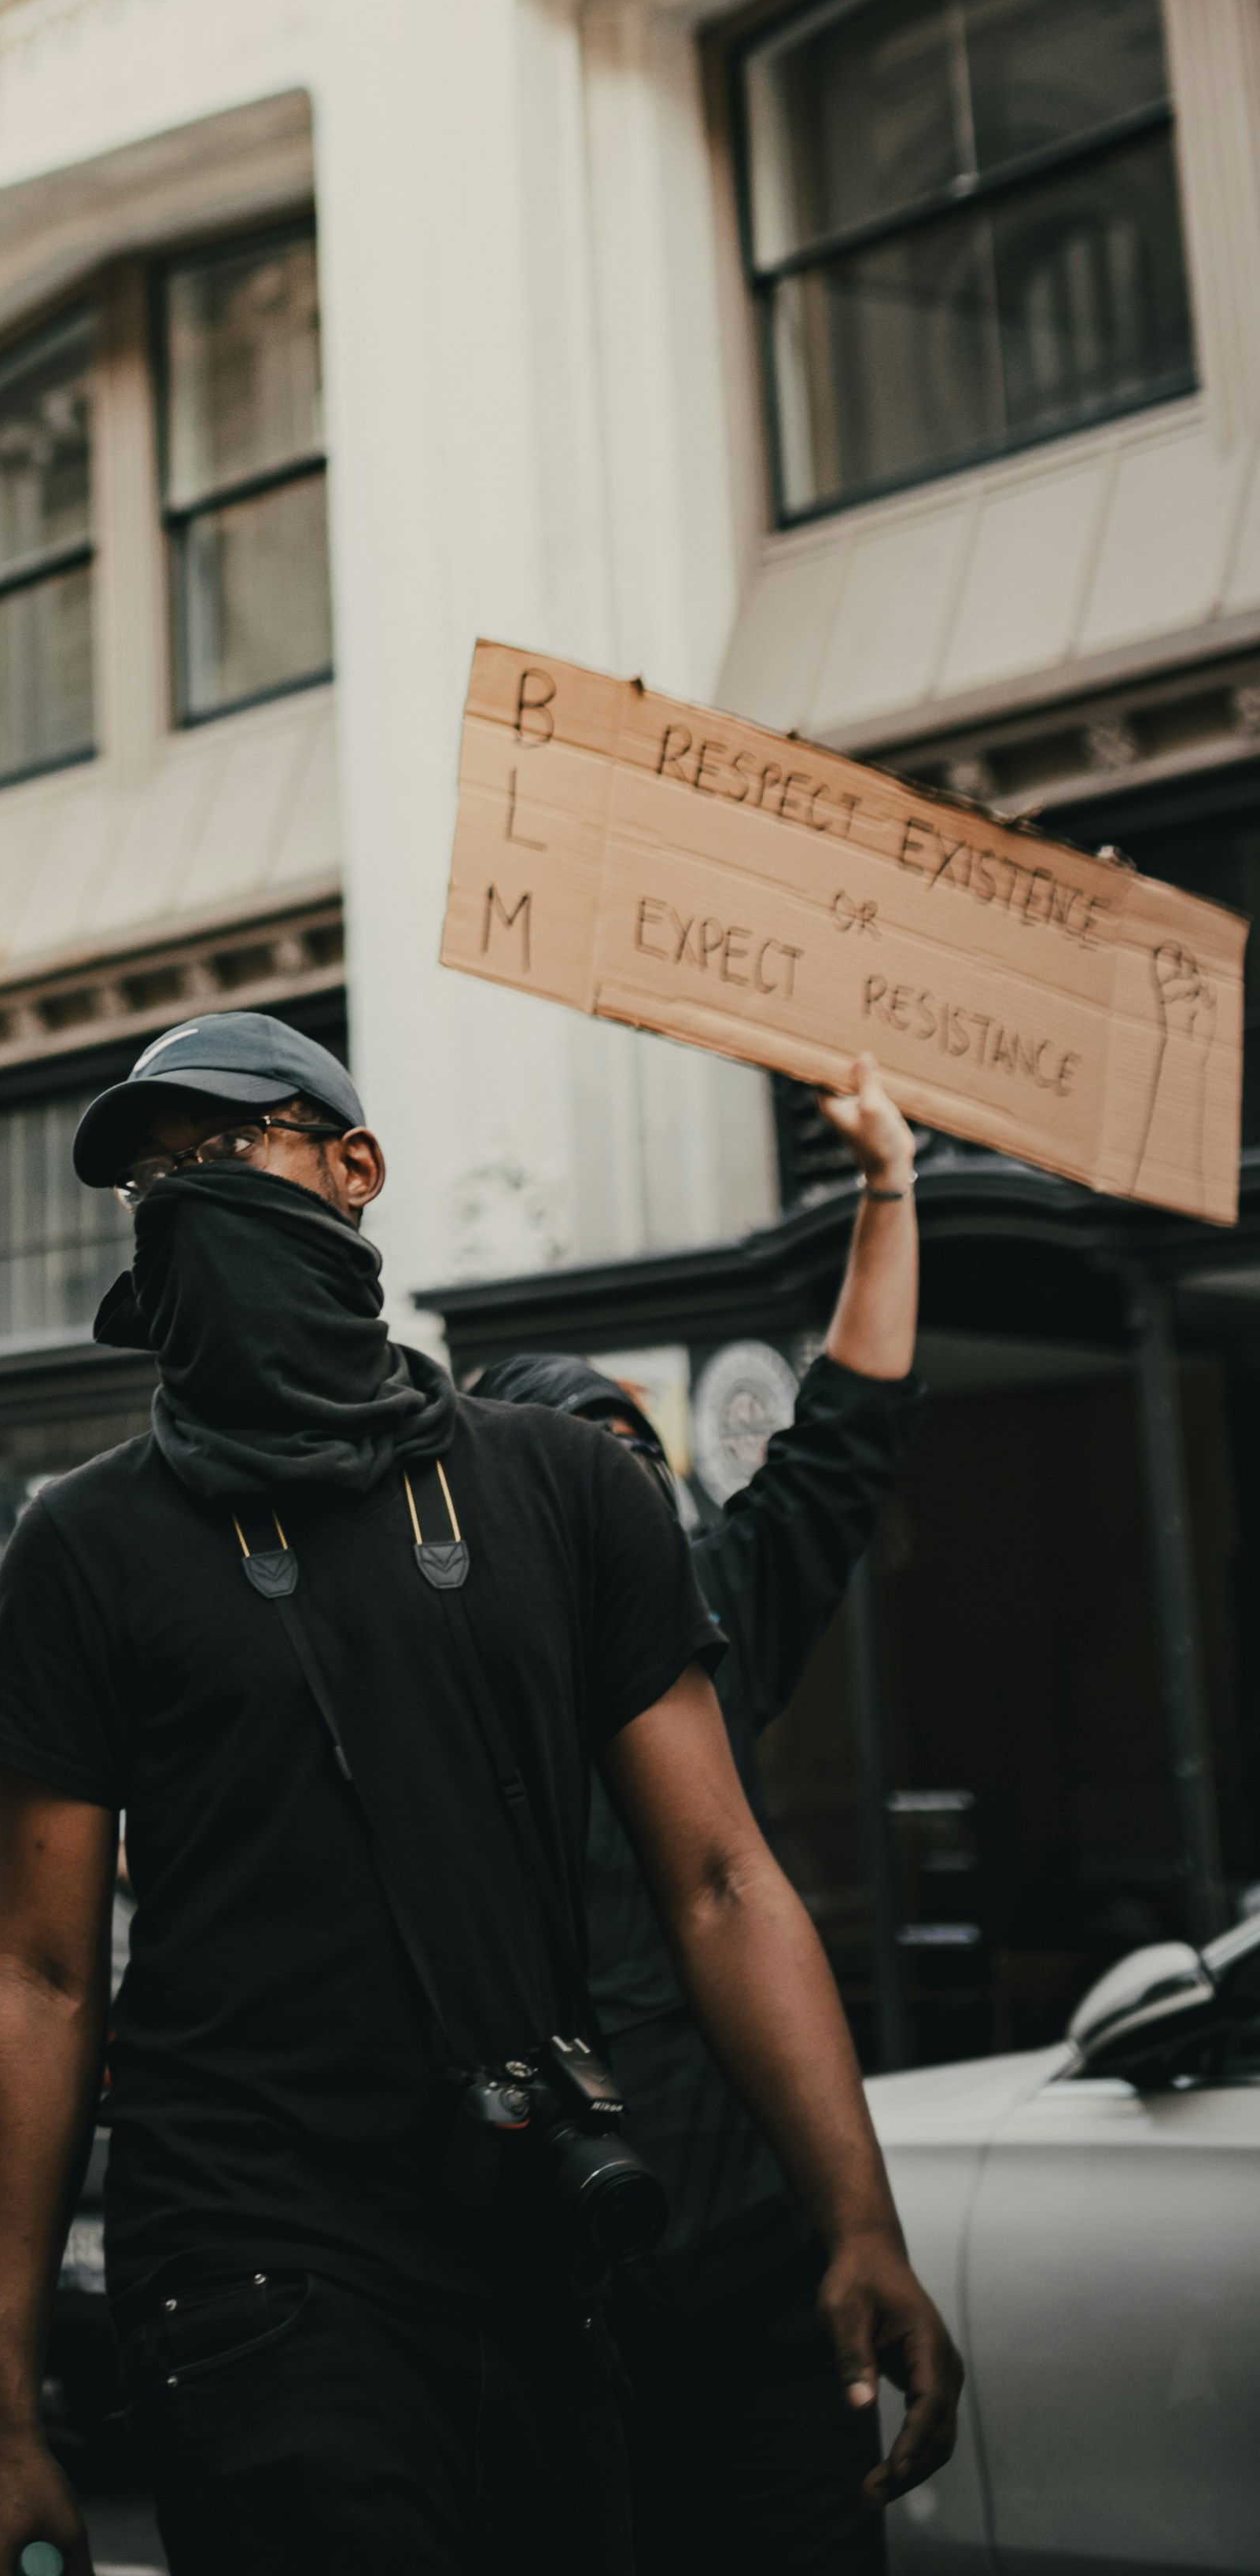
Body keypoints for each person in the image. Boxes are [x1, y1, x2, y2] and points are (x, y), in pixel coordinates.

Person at [0, 1009, 960, 2576]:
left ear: (352, 1171)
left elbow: (719, 1880)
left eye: (222, 1154)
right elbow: (37, 1968)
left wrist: (854, 2220)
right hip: (246, 2260)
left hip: (534, 2251)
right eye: (149, 1187)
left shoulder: (563, 1491)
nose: (184, 1202)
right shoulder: (85, 1544)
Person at [482, 1056, 927, 2576]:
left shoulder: (708, 1616)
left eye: (640, 1458)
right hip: (540, 2293)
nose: (626, 1491)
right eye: (578, 1464)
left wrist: (888, 1184)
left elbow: (849, 1428)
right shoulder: (444, 1686)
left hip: (748, 2273)